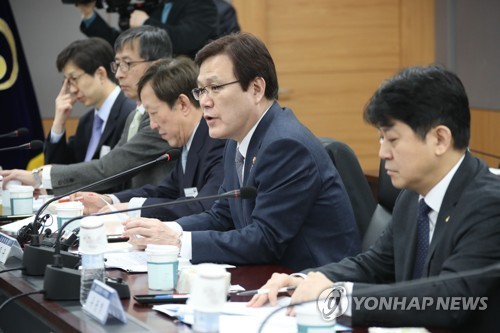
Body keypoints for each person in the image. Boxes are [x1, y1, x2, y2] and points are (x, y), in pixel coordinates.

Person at [248, 66, 500, 330]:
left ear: (440, 138)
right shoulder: (412, 197)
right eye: (381, 139)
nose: (382, 153)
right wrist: (309, 279)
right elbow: (375, 264)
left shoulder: (489, 205)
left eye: (392, 139)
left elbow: (449, 301)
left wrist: (339, 299)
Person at [121, 33, 361, 271]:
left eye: (215, 87)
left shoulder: (285, 145)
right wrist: (169, 230)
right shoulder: (237, 141)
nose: (204, 101)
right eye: (201, 90)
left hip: (316, 286)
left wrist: (179, 242)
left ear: (256, 88)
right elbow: (221, 216)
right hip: (270, 277)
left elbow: (265, 239)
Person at [1, 26, 175, 195]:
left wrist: (40, 177)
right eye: (118, 65)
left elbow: (109, 169)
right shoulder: (133, 116)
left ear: (157, 65)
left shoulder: (160, 117)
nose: (119, 74)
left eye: (127, 64)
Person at [73, 57, 225, 220]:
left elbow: (203, 206)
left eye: (153, 113)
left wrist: (132, 209)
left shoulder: (217, 142)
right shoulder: (188, 143)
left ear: (182, 104)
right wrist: (109, 200)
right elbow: (165, 192)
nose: (152, 125)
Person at [45, 37, 135, 165]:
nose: (72, 89)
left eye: (74, 78)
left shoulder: (130, 114)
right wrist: (58, 123)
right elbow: (60, 170)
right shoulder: (86, 122)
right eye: (67, 82)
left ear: (100, 74)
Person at [77, 0, 220, 58]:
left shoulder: (202, 4)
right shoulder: (158, 6)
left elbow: (184, 40)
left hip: (188, 84)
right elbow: (124, 44)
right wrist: (89, 14)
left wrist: (146, 22)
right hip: (156, 85)